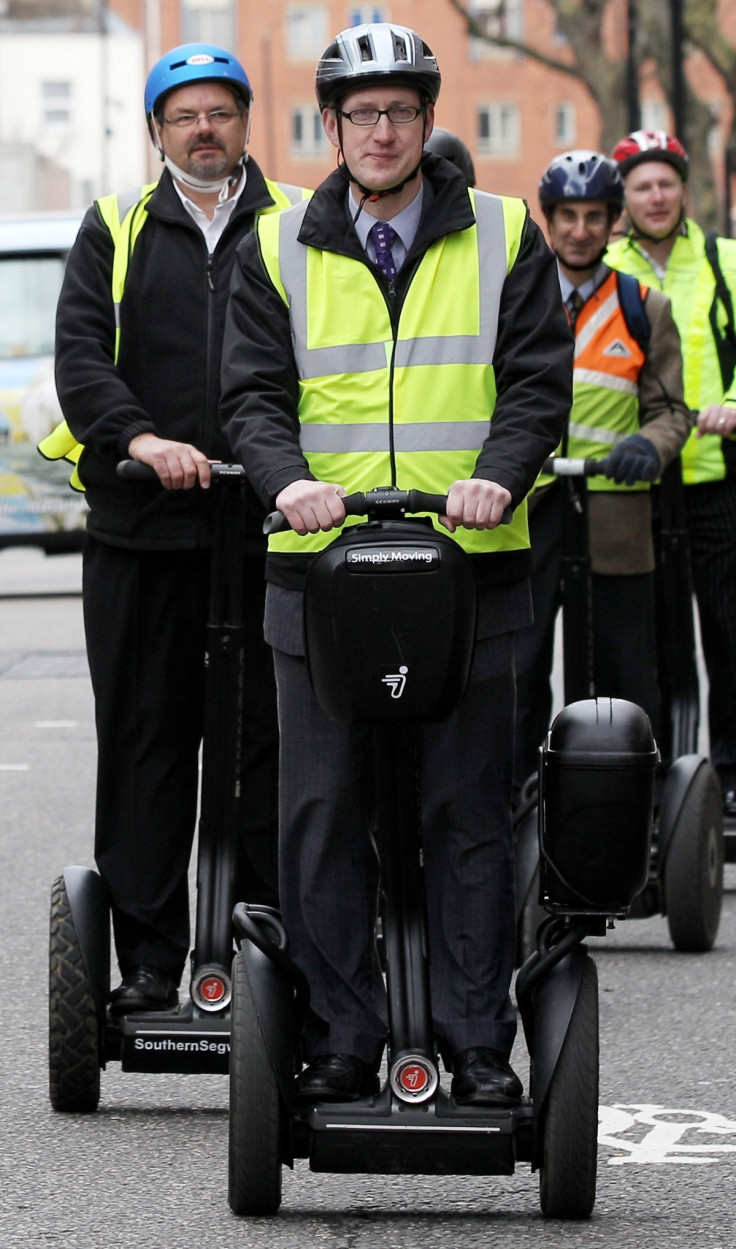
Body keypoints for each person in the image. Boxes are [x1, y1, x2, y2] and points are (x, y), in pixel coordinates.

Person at [220, 22, 572, 1106]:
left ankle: (475, 1039)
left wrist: (499, 476)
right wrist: (284, 484)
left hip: (473, 568)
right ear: (331, 128)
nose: (380, 130)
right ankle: (337, 1033)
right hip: (319, 576)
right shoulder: (276, 247)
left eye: (400, 112)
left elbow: (533, 387)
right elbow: (249, 397)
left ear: (428, 122)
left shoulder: (507, 235)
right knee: (320, 810)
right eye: (360, 114)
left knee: (465, 810)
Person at [44, 43, 308, 1015]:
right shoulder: (114, 225)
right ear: (157, 131)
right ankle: (152, 958)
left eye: (221, 113)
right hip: (141, 530)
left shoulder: (298, 222)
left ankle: (264, 937)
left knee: (265, 743)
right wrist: (141, 438)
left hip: (266, 528)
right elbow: (80, 359)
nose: (205, 129)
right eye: (185, 114)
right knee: (148, 739)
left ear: (245, 123)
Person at [514, 150, 690, 796]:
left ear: (614, 222)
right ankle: (523, 804)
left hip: (616, 521)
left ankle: (631, 815)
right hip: (529, 518)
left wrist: (651, 446)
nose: (581, 230)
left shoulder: (646, 306)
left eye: (594, 216)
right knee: (522, 670)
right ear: (550, 221)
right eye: (568, 216)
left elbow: (671, 411)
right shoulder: (519, 300)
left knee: (625, 678)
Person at [607, 130, 736, 816]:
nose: (655, 196)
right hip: (638, 486)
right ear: (623, 197)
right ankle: (656, 783)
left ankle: (731, 777)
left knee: (728, 634)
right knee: (649, 643)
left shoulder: (723, 261)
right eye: (641, 185)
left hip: (714, 478)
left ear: (684, 189)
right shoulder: (607, 266)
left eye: (666, 183)